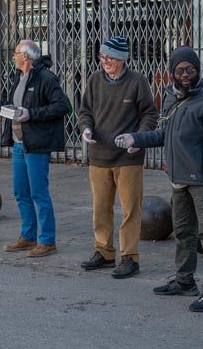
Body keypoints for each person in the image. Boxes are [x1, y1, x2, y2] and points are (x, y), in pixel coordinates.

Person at [116, 46, 203, 312]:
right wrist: (135, 138)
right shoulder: (172, 98)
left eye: (190, 70)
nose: (185, 75)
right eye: (180, 70)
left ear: (198, 71)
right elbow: (163, 134)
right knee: (183, 232)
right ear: (171, 73)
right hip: (178, 179)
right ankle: (184, 281)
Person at [76, 36, 159, 278]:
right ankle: (104, 251)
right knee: (100, 207)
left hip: (128, 156)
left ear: (123, 59)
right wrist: (86, 128)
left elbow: (150, 115)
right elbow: (84, 112)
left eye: (110, 58)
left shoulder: (137, 82)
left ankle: (130, 257)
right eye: (102, 57)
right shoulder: (94, 80)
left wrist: (139, 138)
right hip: (99, 154)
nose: (105, 62)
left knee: (130, 209)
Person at [0, 40, 69, 257]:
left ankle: (47, 241)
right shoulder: (17, 77)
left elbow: (62, 106)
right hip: (20, 143)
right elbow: (16, 107)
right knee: (21, 192)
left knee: (39, 193)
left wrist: (32, 114)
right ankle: (28, 236)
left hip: (36, 144)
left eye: (16, 53)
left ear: (26, 56)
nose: (13, 57)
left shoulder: (45, 77)